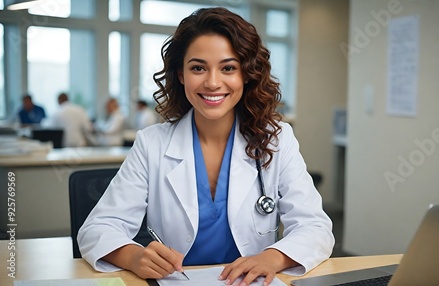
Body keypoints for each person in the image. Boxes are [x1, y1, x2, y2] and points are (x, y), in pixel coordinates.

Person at [78, 7, 334, 286]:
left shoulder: (277, 139)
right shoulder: (151, 144)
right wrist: (134, 257)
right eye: (198, 68)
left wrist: (272, 257)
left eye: (228, 68)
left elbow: (315, 227)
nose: (213, 83)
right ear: (180, 75)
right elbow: (97, 229)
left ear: (246, 74)